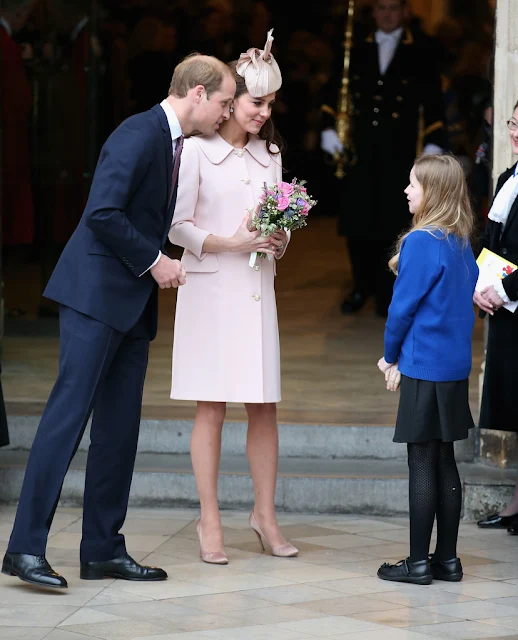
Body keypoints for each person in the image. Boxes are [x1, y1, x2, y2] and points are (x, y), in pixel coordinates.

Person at [2, 54, 236, 589]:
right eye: (223, 102)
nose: (225, 113)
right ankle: (23, 549)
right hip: (94, 296)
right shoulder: (138, 133)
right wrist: (156, 263)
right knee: (65, 422)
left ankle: (103, 548)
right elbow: (102, 212)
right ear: (197, 94)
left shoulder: (179, 142)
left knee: (119, 432)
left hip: (130, 305)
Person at [169, 30, 299, 565]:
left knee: (264, 405)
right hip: (208, 292)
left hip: (255, 291)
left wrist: (280, 238)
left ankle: (264, 515)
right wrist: (230, 242)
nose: (263, 113)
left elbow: (277, 224)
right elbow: (176, 227)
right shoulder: (195, 151)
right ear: (227, 103)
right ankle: (210, 518)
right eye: (254, 102)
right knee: (212, 406)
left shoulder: (271, 155)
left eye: (270, 103)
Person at [377, 154, 478, 584]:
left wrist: (390, 355)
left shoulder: (421, 241)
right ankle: (448, 560)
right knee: (445, 462)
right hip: (454, 367)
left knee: (421, 462)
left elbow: (402, 309)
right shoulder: (460, 242)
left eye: (414, 184)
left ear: (432, 192)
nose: (406, 190)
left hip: (423, 363)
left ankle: (418, 563)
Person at [321, 0, 446, 317]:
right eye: (381, 8)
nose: (387, 14)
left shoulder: (422, 49)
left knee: (393, 221)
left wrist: (433, 143)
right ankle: (360, 284)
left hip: (399, 150)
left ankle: (385, 290)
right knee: (357, 219)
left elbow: (433, 101)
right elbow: (332, 91)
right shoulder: (353, 46)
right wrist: (327, 128)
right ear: (373, 12)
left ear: (405, 11)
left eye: (393, 8)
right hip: (359, 148)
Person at [475, 100, 518, 534]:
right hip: (505, 307)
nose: (517, 133)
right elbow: (494, 238)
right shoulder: (509, 176)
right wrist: (480, 284)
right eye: (513, 124)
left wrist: (504, 289)